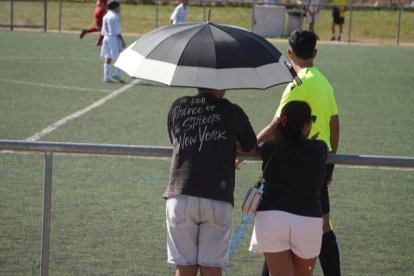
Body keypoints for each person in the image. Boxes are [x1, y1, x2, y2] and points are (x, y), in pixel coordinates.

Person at [255, 29, 341, 276]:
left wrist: (248, 150)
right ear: (315, 52)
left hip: (297, 161)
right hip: (318, 161)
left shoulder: (297, 83)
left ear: (289, 53)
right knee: (321, 224)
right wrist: (330, 162)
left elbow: (275, 125)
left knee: (286, 221)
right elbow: (335, 124)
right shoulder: (324, 82)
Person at [164, 88, 257, 276]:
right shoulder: (232, 110)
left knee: (184, 266)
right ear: (220, 85)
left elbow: (175, 139)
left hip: (180, 193)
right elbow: (250, 145)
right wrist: (229, 144)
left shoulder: (178, 106)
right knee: (211, 267)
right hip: (217, 196)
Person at [250, 100, 327, 276]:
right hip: (307, 220)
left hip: (271, 219)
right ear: (306, 125)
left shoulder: (270, 147)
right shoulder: (320, 149)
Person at [100, 1, 126, 83]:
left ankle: (106, 77)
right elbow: (117, 31)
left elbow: (103, 29)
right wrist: (122, 41)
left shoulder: (105, 16)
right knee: (121, 56)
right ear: (115, 7)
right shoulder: (115, 16)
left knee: (108, 57)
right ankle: (117, 73)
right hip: (113, 38)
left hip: (106, 37)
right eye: (118, 7)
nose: (119, 9)